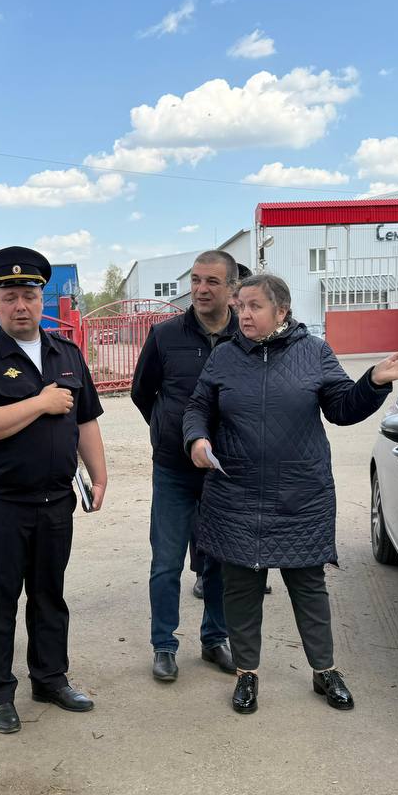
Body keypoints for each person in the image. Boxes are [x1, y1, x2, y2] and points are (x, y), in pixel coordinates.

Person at [183, 274, 398, 715]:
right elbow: (199, 405)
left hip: (300, 493)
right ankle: (247, 673)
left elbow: (341, 408)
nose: (244, 315)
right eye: (240, 306)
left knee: (308, 586)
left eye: (254, 306)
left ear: (281, 310)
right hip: (235, 491)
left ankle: (324, 670)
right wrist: (197, 438)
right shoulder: (224, 355)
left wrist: (373, 381)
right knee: (241, 588)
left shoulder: (313, 351)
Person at [0, 246, 108, 735]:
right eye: (9, 297)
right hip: (2, 502)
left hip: (55, 500)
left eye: (29, 296)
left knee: (49, 596)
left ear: (42, 298)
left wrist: (99, 475)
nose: (20, 306)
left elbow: (86, 419)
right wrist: (40, 403)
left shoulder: (67, 353)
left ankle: (50, 678)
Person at [132, 250, 239, 683]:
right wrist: (167, 430)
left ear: (231, 288)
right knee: (166, 561)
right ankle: (164, 645)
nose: (201, 289)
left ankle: (215, 639)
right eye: (195, 280)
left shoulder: (246, 336)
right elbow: (142, 393)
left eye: (212, 281)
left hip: (225, 472)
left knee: (218, 561)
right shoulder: (164, 335)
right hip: (174, 470)